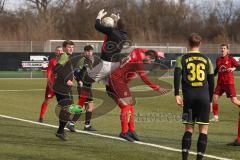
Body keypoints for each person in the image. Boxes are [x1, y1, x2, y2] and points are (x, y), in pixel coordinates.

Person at [107, 48, 166, 142]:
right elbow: (144, 78)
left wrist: (157, 53)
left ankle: (131, 130)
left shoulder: (138, 51)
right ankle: (124, 132)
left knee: (130, 106)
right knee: (126, 106)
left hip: (121, 81)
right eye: (151, 60)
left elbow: (141, 50)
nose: (150, 63)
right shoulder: (138, 63)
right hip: (116, 80)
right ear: (148, 56)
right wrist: (157, 88)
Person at [174, 33, 214, 160]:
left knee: (189, 129)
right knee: (203, 130)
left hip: (189, 98)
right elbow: (212, 81)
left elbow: (176, 76)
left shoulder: (182, 59)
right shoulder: (207, 59)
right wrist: (211, 101)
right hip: (204, 97)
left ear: (188, 44)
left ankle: (184, 158)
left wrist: (176, 94)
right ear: (200, 44)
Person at [78, 9, 128, 106]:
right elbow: (118, 30)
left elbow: (97, 26)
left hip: (106, 64)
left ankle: (79, 106)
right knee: (110, 91)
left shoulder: (111, 31)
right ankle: (124, 107)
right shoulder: (124, 35)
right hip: (116, 65)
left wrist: (99, 17)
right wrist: (117, 21)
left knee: (86, 81)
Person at [67, 45, 97, 132]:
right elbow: (75, 72)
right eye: (87, 51)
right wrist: (79, 81)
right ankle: (72, 123)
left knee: (89, 106)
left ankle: (87, 125)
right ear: (84, 52)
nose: (89, 53)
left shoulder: (91, 60)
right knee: (82, 105)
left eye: (90, 51)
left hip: (88, 86)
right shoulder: (82, 60)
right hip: (83, 86)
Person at [53, 40, 76, 140]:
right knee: (68, 109)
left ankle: (60, 131)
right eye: (69, 47)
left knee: (66, 110)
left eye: (72, 47)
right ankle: (60, 131)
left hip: (62, 88)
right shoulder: (65, 56)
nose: (71, 49)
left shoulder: (67, 57)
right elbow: (57, 68)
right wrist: (67, 80)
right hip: (61, 88)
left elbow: (64, 69)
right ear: (64, 48)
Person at [211, 44, 240, 122]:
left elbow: (238, 65)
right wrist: (212, 76)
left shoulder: (231, 58)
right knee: (215, 97)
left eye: (224, 48)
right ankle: (215, 117)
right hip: (220, 83)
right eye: (222, 48)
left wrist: (234, 68)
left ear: (227, 50)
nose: (223, 50)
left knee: (234, 100)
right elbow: (216, 69)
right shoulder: (218, 59)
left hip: (229, 83)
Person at [38, 46, 63, 123]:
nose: (59, 52)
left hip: (61, 85)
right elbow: (49, 72)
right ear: (55, 52)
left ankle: (63, 119)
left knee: (63, 102)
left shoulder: (65, 61)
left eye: (60, 51)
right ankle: (41, 117)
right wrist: (49, 82)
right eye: (57, 50)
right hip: (52, 85)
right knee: (47, 100)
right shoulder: (52, 61)